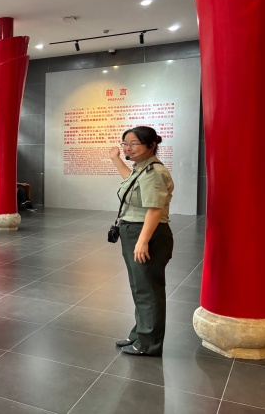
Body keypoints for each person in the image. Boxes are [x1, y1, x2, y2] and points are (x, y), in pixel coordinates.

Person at [109, 126, 174, 357]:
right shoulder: (141, 168)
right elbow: (131, 182)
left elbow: (155, 209)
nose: (128, 148)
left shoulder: (154, 172)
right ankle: (140, 334)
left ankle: (149, 343)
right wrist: (116, 159)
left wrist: (142, 241)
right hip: (135, 231)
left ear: (151, 145)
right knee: (140, 287)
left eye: (134, 144)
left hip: (147, 233)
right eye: (125, 143)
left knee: (148, 290)